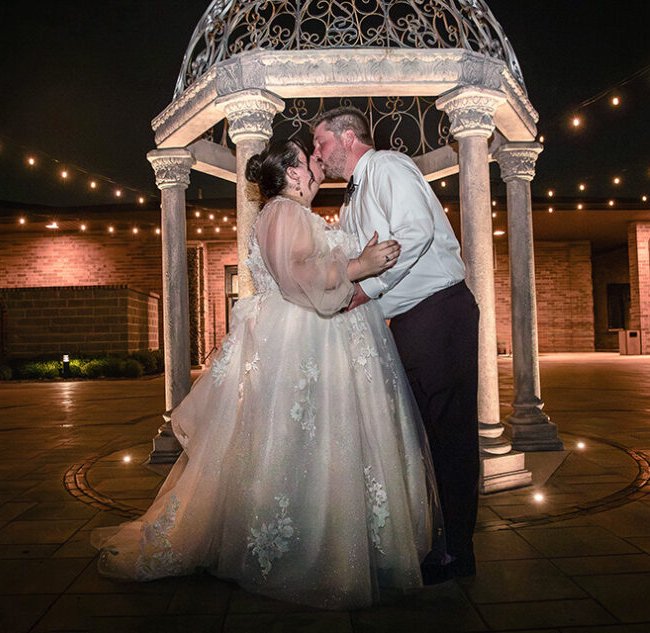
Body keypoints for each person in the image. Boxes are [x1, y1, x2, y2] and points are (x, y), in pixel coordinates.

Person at [91, 137, 443, 610]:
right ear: (293, 173)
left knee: (319, 442)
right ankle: (307, 550)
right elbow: (297, 276)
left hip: (319, 341)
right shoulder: (282, 211)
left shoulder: (292, 214)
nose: (317, 163)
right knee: (302, 441)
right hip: (304, 343)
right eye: (309, 158)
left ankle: (335, 539)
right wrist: (360, 264)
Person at [312, 107, 479, 581]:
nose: (318, 154)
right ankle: (437, 541)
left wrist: (367, 291)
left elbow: (416, 233)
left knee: (450, 434)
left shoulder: (387, 166)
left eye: (322, 143)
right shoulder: (352, 198)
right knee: (422, 436)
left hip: (438, 312)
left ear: (348, 136)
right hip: (406, 322)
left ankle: (459, 553)